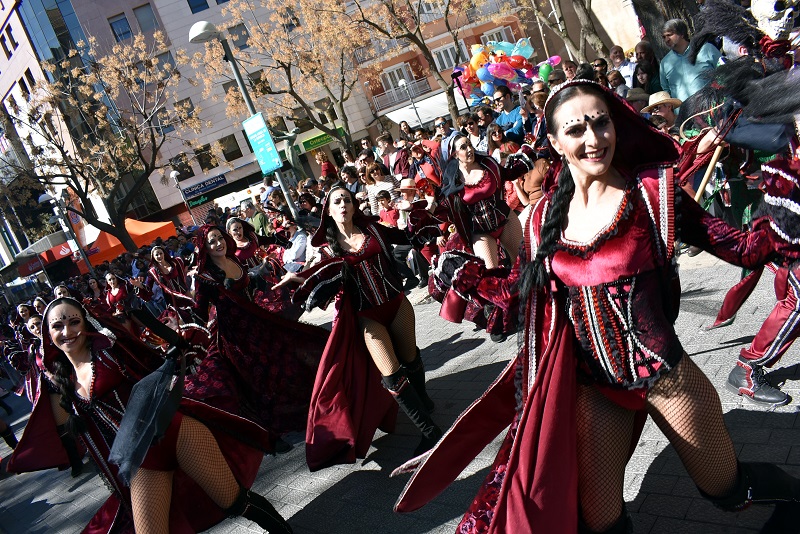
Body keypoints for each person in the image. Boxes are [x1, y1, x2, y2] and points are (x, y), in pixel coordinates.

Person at [396, 79, 799, 533]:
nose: (593, 139)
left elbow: (744, 248)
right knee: (600, 522)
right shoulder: (541, 219)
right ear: (554, 142)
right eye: (576, 130)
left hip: (667, 381)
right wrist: (461, 279)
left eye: (600, 122)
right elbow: (514, 300)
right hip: (595, 390)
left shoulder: (653, 193)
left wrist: (787, 197)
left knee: (729, 492)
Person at [8, 297, 292, 533]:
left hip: (175, 432)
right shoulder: (59, 381)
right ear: (47, 334)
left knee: (233, 502)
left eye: (74, 321)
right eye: (57, 325)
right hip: (142, 462)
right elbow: (60, 432)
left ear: (86, 323)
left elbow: (151, 362)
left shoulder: (109, 351)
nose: (67, 331)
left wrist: (161, 337)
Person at [274, 187, 440, 469]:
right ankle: (430, 432)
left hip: (397, 304)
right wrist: (295, 277)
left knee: (410, 357)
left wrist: (417, 216)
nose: (343, 204)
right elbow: (317, 274)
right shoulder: (326, 248)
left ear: (353, 206)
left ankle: (424, 399)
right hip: (368, 316)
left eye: (347, 200)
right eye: (336, 201)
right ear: (328, 210)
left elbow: (406, 237)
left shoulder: (374, 229)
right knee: (391, 375)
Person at [192, 225, 323, 442]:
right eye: (212, 241)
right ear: (204, 248)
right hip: (237, 338)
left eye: (219, 238)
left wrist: (261, 273)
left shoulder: (234, 260)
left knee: (286, 357)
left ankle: (307, 402)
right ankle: (271, 430)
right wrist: (191, 334)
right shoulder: (204, 277)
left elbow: (250, 285)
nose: (218, 244)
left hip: (258, 323)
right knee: (260, 379)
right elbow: (198, 312)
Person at [660, 18, 721, 102]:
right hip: (684, 113)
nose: (666, 39)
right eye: (664, 37)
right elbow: (666, 91)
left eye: (670, 35)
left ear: (681, 34)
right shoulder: (665, 63)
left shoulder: (706, 49)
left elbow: (724, 73)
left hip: (711, 108)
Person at [147, 246, 195, 320]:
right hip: (171, 299)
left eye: (160, 253)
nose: (159, 256)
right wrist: (139, 285)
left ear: (164, 253)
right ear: (153, 257)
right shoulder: (153, 271)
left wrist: (190, 269)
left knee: (195, 311)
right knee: (182, 318)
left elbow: (188, 263)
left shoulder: (175, 262)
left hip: (184, 292)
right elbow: (148, 287)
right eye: (156, 255)